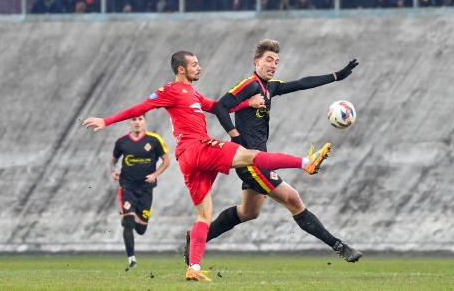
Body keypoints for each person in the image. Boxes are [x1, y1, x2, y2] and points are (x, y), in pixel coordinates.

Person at [82, 51, 332, 282]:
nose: (199, 68)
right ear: (181, 69)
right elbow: (141, 107)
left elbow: (216, 107)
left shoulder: (193, 94)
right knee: (253, 156)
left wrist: (247, 104)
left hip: (188, 161)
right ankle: (306, 163)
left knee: (204, 215)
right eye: (194, 65)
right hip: (198, 148)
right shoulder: (170, 90)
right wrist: (107, 120)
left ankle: (194, 267)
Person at [183, 39, 362, 265]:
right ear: (256, 61)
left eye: (276, 61)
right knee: (294, 200)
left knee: (249, 212)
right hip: (251, 162)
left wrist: (336, 75)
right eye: (269, 60)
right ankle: (340, 247)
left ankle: (197, 238)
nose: (273, 64)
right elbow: (220, 106)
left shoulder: (270, 87)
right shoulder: (249, 85)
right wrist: (235, 135)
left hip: (257, 161)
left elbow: (302, 83)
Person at [111, 115, 170, 268]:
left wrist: (155, 175)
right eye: (133, 120)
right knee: (129, 222)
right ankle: (132, 260)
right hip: (127, 186)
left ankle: (129, 217)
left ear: (144, 122)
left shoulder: (154, 139)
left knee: (141, 229)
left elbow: (166, 160)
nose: (136, 122)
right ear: (129, 123)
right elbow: (114, 160)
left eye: (139, 119)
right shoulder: (122, 142)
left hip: (145, 188)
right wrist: (114, 171)